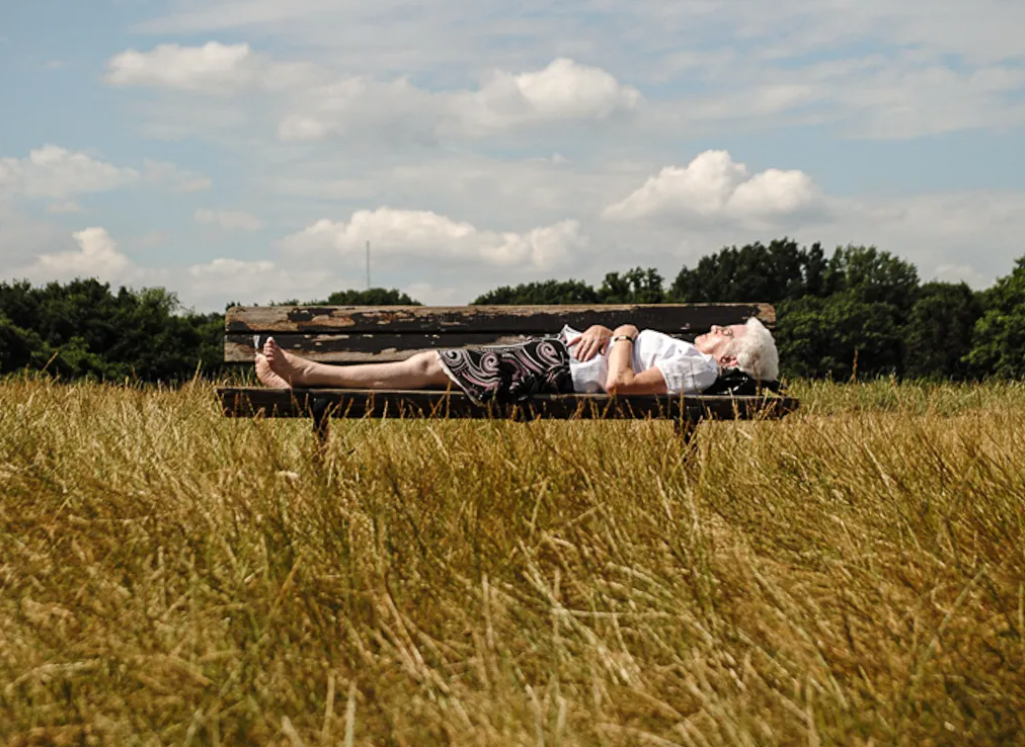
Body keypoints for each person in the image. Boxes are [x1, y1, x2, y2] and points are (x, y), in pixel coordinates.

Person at [255, 319, 779, 404]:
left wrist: (623, 331)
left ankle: (308, 376)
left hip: (550, 370)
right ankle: (305, 383)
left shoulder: (702, 368)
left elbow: (620, 384)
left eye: (726, 333)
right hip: (551, 357)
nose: (715, 329)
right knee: (429, 368)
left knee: (427, 368)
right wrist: (608, 329)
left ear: (733, 357)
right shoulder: (695, 359)